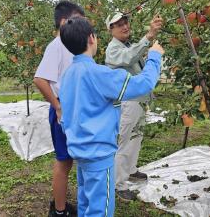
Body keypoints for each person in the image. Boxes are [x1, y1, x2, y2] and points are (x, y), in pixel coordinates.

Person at [59, 16, 164, 217]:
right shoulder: (99, 74)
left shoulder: (68, 74)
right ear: (92, 38)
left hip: (80, 152)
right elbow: (143, 84)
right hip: (99, 155)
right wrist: (154, 57)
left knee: (86, 203)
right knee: (100, 210)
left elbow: (65, 114)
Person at [33, 0, 85, 217]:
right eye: (78, 21)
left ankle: (61, 204)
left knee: (68, 160)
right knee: (63, 162)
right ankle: (59, 212)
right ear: (64, 22)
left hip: (72, 111)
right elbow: (39, 79)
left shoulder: (68, 46)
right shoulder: (56, 46)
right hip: (63, 112)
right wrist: (58, 106)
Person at [105, 12, 163, 201]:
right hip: (127, 103)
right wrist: (149, 36)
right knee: (124, 142)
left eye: (125, 22)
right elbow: (129, 58)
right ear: (110, 30)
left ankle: (131, 170)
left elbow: (135, 58)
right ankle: (119, 185)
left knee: (136, 137)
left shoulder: (127, 45)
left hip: (138, 100)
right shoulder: (113, 50)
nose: (124, 26)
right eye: (118, 24)